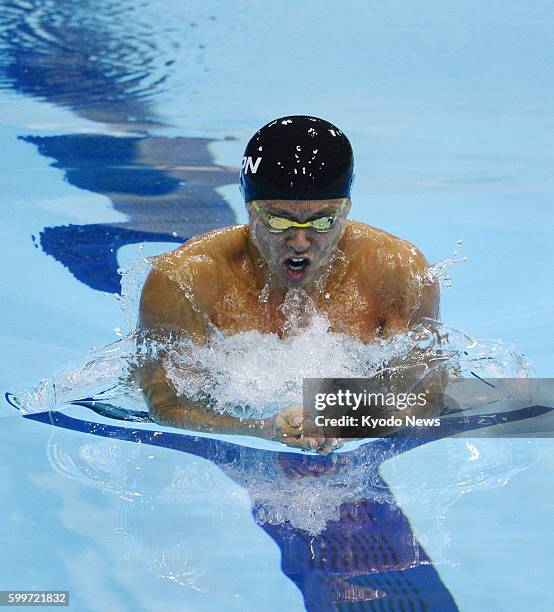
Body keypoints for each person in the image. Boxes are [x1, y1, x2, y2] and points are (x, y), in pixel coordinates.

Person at [138, 116, 440, 453]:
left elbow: (426, 395)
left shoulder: (396, 272)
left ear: (346, 209)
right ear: (249, 208)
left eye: (323, 221)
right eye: (278, 220)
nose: (299, 241)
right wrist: (262, 429)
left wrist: (347, 420)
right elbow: (166, 405)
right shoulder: (185, 280)